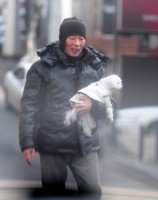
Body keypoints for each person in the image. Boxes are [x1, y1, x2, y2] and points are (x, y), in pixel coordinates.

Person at [19, 17, 109, 198]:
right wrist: (27, 142)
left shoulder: (96, 68)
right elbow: (29, 105)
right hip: (52, 145)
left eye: (81, 38)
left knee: (93, 193)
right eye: (72, 38)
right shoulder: (41, 68)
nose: (77, 43)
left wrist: (93, 106)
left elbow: (110, 105)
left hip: (85, 145)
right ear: (63, 39)